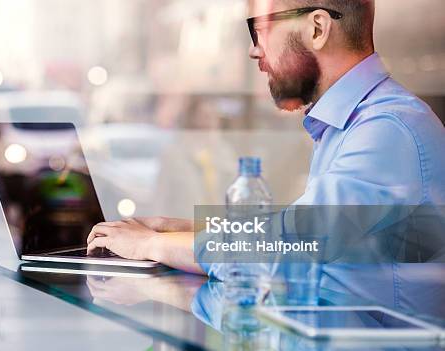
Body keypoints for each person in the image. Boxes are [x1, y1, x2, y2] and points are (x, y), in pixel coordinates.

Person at [86, 0, 445, 311]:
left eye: (260, 30)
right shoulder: (353, 125)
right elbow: (311, 229)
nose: (253, 51)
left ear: (317, 28)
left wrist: (151, 244)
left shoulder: (388, 128)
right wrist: (188, 229)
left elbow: (293, 246)